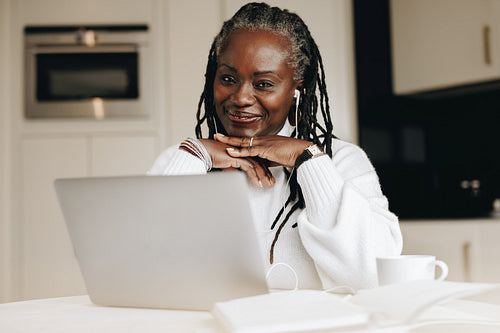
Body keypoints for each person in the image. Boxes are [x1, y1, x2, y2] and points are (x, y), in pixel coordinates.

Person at [148, 2, 402, 290]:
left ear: (297, 89)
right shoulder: (185, 159)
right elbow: (139, 268)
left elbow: (373, 275)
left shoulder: (340, 161)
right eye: (228, 78)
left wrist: (307, 160)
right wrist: (195, 157)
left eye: (264, 84)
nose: (241, 97)